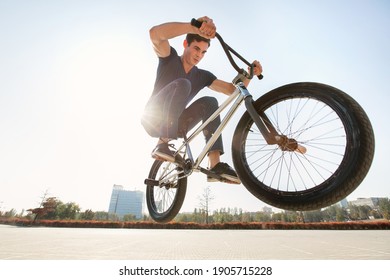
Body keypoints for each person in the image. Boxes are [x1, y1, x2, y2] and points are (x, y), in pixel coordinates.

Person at [141, 16, 262, 184]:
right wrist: (193, 28)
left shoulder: (202, 76)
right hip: (152, 119)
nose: (199, 55)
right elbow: (155, 34)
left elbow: (232, 90)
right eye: (196, 49)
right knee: (184, 84)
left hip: (176, 123)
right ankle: (162, 143)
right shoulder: (170, 59)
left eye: (203, 52)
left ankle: (215, 166)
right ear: (185, 45)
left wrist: (249, 74)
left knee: (211, 102)